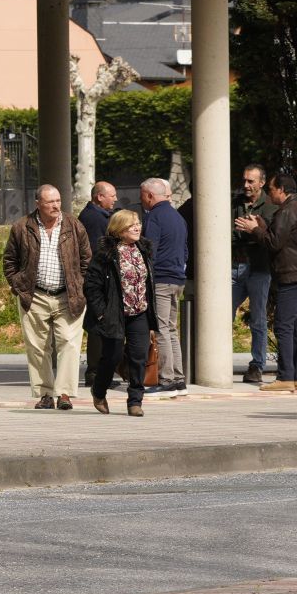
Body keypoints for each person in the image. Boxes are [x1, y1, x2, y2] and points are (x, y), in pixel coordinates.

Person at [2, 184, 91, 410]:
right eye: (50, 202)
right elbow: (9, 261)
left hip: (68, 296)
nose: (55, 205)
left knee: (70, 345)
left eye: (58, 201)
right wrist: (18, 285)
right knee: (37, 347)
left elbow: (86, 260)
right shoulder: (22, 227)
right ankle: (44, 394)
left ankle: (64, 394)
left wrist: (80, 285)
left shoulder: (73, 225)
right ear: (38, 203)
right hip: (35, 295)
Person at [250, 173, 297, 392]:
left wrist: (255, 230)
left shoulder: (287, 211)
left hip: (293, 277)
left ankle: (285, 377)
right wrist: (263, 224)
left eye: (271, 189)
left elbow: (274, 242)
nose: (269, 193)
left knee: (283, 326)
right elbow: (283, 236)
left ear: (281, 189)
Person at [84, 208, 155, 416]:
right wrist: (101, 313)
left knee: (139, 356)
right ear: (119, 229)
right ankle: (98, 390)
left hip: (139, 312)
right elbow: (91, 286)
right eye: (131, 224)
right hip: (114, 313)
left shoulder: (144, 249)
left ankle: (135, 401)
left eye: (138, 224)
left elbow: (149, 282)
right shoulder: (106, 254)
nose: (137, 227)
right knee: (112, 357)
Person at [140, 178, 189, 392]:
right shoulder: (178, 217)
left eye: (142, 195)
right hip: (177, 278)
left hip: (160, 279)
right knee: (170, 328)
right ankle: (177, 376)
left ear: (150, 195)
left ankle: (167, 379)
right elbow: (185, 250)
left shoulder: (154, 217)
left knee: (161, 329)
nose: (141, 199)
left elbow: (150, 251)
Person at [232, 164, 277, 384]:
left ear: (261, 183)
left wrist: (253, 231)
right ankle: (217, 361)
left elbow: (269, 238)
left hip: (259, 268)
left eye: (251, 181)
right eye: (245, 181)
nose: (246, 185)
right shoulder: (235, 203)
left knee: (258, 318)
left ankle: (257, 365)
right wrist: (247, 232)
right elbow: (229, 231)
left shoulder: (269, 207)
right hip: (235, 265)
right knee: (222, 315)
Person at [77, 181, 116, 385]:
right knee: (99, 326)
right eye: (112, 195)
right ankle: (95, 373)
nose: (115, 199)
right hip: (98, 281)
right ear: (99, 197)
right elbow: (95, 251)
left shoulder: (98, 216)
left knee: (102, 325)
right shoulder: (93, 218)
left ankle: (100, 372)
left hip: (100, 279)